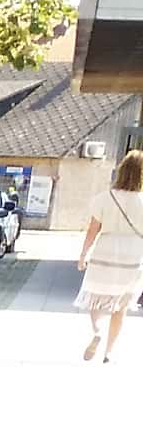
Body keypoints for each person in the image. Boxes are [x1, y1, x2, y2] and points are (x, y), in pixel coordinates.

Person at [80, 149, 143, 363]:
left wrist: (83, 254)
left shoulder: (104, 198)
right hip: (134, 256)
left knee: (96, 298)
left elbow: (92, 229)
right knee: (121, 305)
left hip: (105, 251)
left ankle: (97, 330)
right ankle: (108, 352)